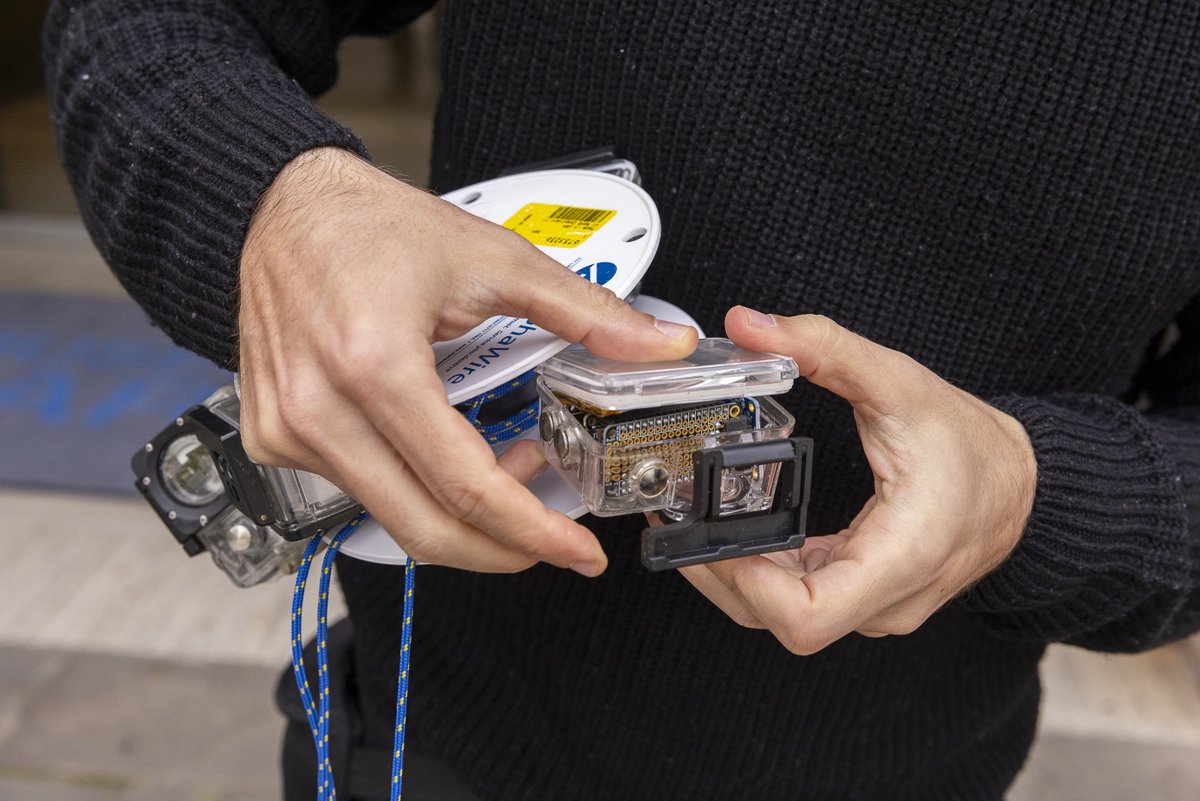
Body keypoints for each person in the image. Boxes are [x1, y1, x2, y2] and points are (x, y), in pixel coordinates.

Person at [44, 1, 1200, 799]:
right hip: (422, 745)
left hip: (922, 762)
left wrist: (1030, 496)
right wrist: (277, 205)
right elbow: (150, 23)